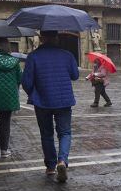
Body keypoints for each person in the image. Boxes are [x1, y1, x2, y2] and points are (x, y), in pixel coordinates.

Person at [21, 30, 79, 182]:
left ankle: (51, 166)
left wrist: (34, 93)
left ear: (41, 38)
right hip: (64, 100)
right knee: (65, 133)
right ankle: (62, 161)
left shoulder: (33, 56)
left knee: (46, 134)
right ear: (56, 38)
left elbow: (26, 82)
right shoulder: (67, 55)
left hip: (42, 101)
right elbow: (75, 75)